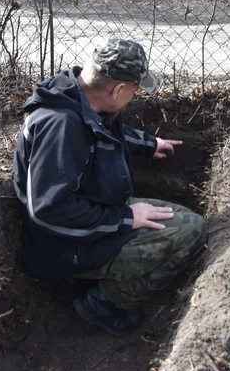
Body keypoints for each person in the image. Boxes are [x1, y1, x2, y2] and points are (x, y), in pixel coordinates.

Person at [13, 37, 207, 336]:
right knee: (191, 231)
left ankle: (100, 279)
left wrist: (147, 143)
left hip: (90, 217)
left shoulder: (77, 97)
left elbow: (100, 131)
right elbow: (49, 210)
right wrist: (126, 219)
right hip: (63, 246)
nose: (134, 96)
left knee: (180, 217)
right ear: (117, 90)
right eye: (134, 91)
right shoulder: (60, 127)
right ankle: (101, 303)